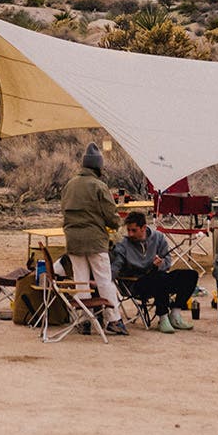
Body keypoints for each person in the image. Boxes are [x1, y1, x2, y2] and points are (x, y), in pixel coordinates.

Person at [59, 143, 127, 335]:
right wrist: (116, 225)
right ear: (98, 167)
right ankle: (113, 320)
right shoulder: (99, 186)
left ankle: (84, 319)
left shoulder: (69, 185)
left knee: (80, 280)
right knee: (104, 280)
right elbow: (111, 215)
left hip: (73, 239)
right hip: (95, 240)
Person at [113, 214, 198, 332]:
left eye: (134, 230)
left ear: (143, 228)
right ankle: (163, 317)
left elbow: (167, 261)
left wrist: (161, 264)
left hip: (159, 276)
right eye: (128, 230)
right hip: (136, 283)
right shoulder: (123, 244)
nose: (130, 234)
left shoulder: (158, 238)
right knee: (160, 278)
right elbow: (116, 265)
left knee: (190, 275)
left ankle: (175, 314)